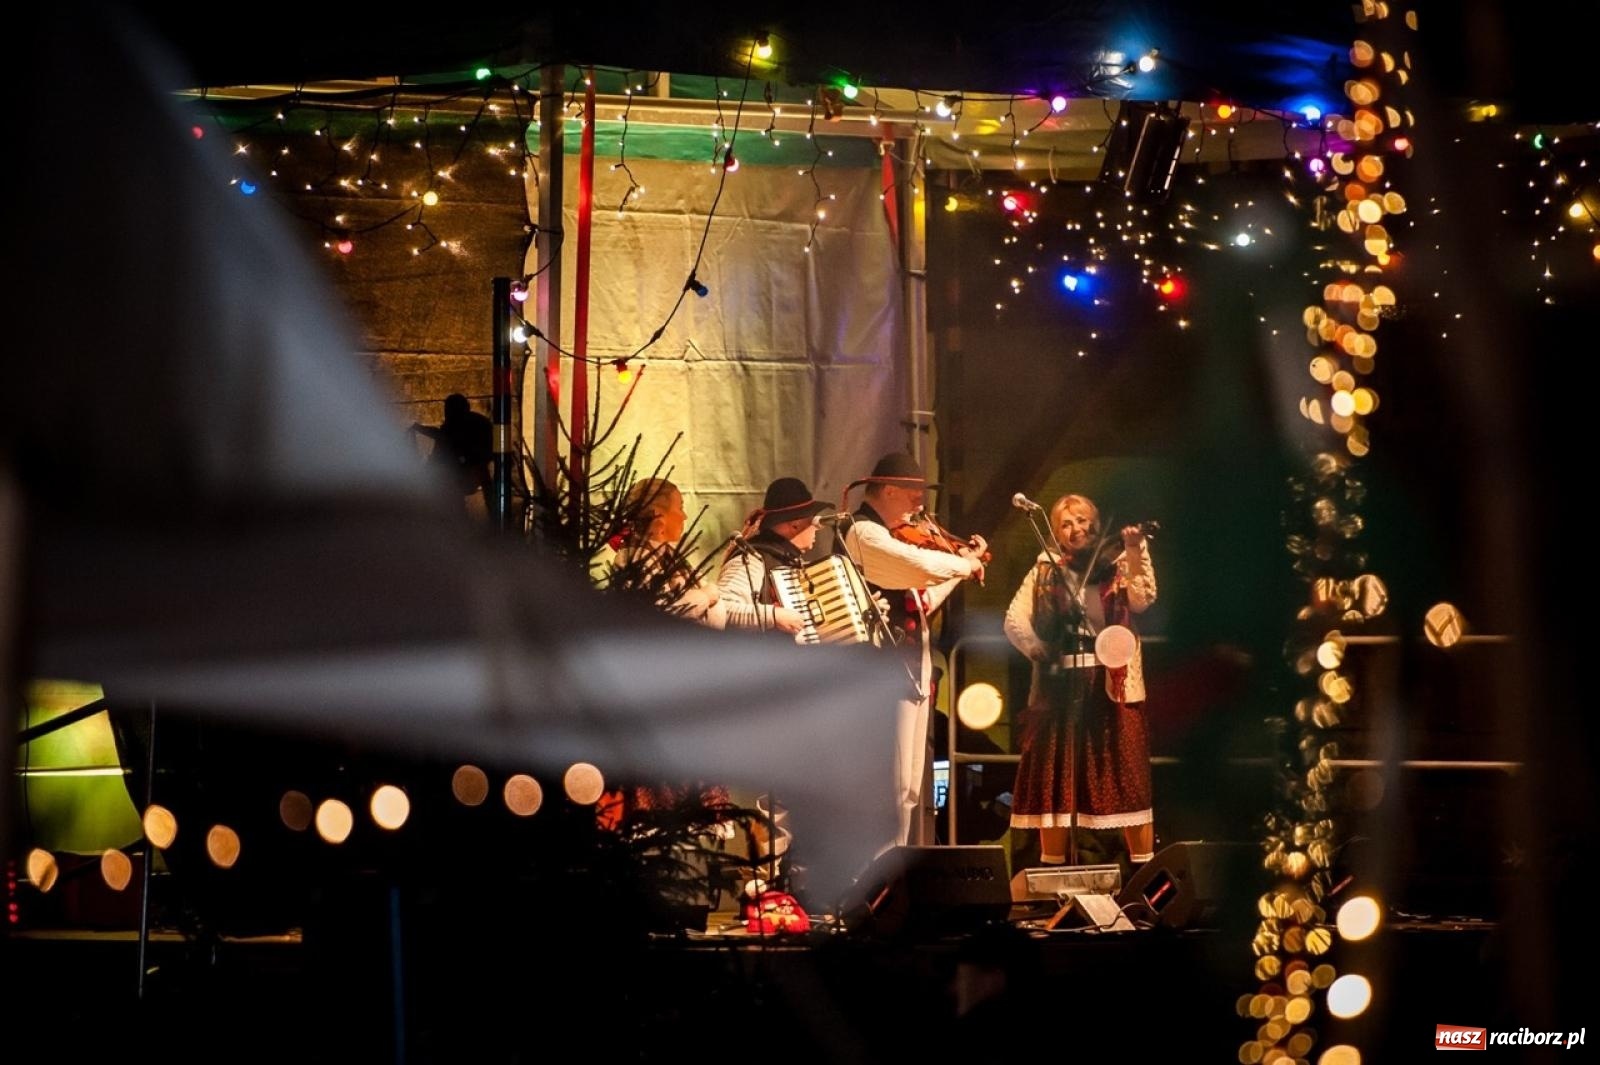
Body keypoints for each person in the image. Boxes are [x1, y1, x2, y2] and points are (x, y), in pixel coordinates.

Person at [838, 452, 987, 846]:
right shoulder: (862, 532)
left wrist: (962, 566)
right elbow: (912, 562)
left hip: (908, 671)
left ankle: (892, 873)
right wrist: (962, 565)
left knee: (906, 786)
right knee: (885, 783)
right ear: (888, 490)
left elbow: (921, 600)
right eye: (912, 494)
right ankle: (872, 880)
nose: (919, 504)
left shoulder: (888, 534)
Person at [1005, 493, 1158, 870]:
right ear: (1056, 534)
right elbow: (1014, 619)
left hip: (1111, 683)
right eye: (1066, 524)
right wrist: (1040, 651)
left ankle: (1145, 872)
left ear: (1095, 521)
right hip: (1060, 687)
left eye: (1082, 520)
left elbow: (1143, 600)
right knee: (1054, 780)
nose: (1076, 529)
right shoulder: (1045, 566)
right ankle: (1052, 876)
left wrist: (1135, 547)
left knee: (1126, 775)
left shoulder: (1123, 557)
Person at [604, 477, 726, 629]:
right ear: (659, 516)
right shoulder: (635, 561)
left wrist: (708, 596)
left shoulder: (668, 554)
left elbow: (712, 600)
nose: (684, 516)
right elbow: (661, 612)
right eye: (680, 508)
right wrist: (705, 597)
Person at [715, 476, 828, 636]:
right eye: (813, 523)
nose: (817, 529)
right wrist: (774, 616)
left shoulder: (790, 559)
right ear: (795, 525)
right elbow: (722, 609)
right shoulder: (751, 558)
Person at [409, 393, 492, 515]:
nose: (446, 414)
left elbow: (444, 437)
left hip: (469, 471)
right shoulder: (478, 422)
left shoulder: (462, 424)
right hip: (472, 470)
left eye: (448, 410)